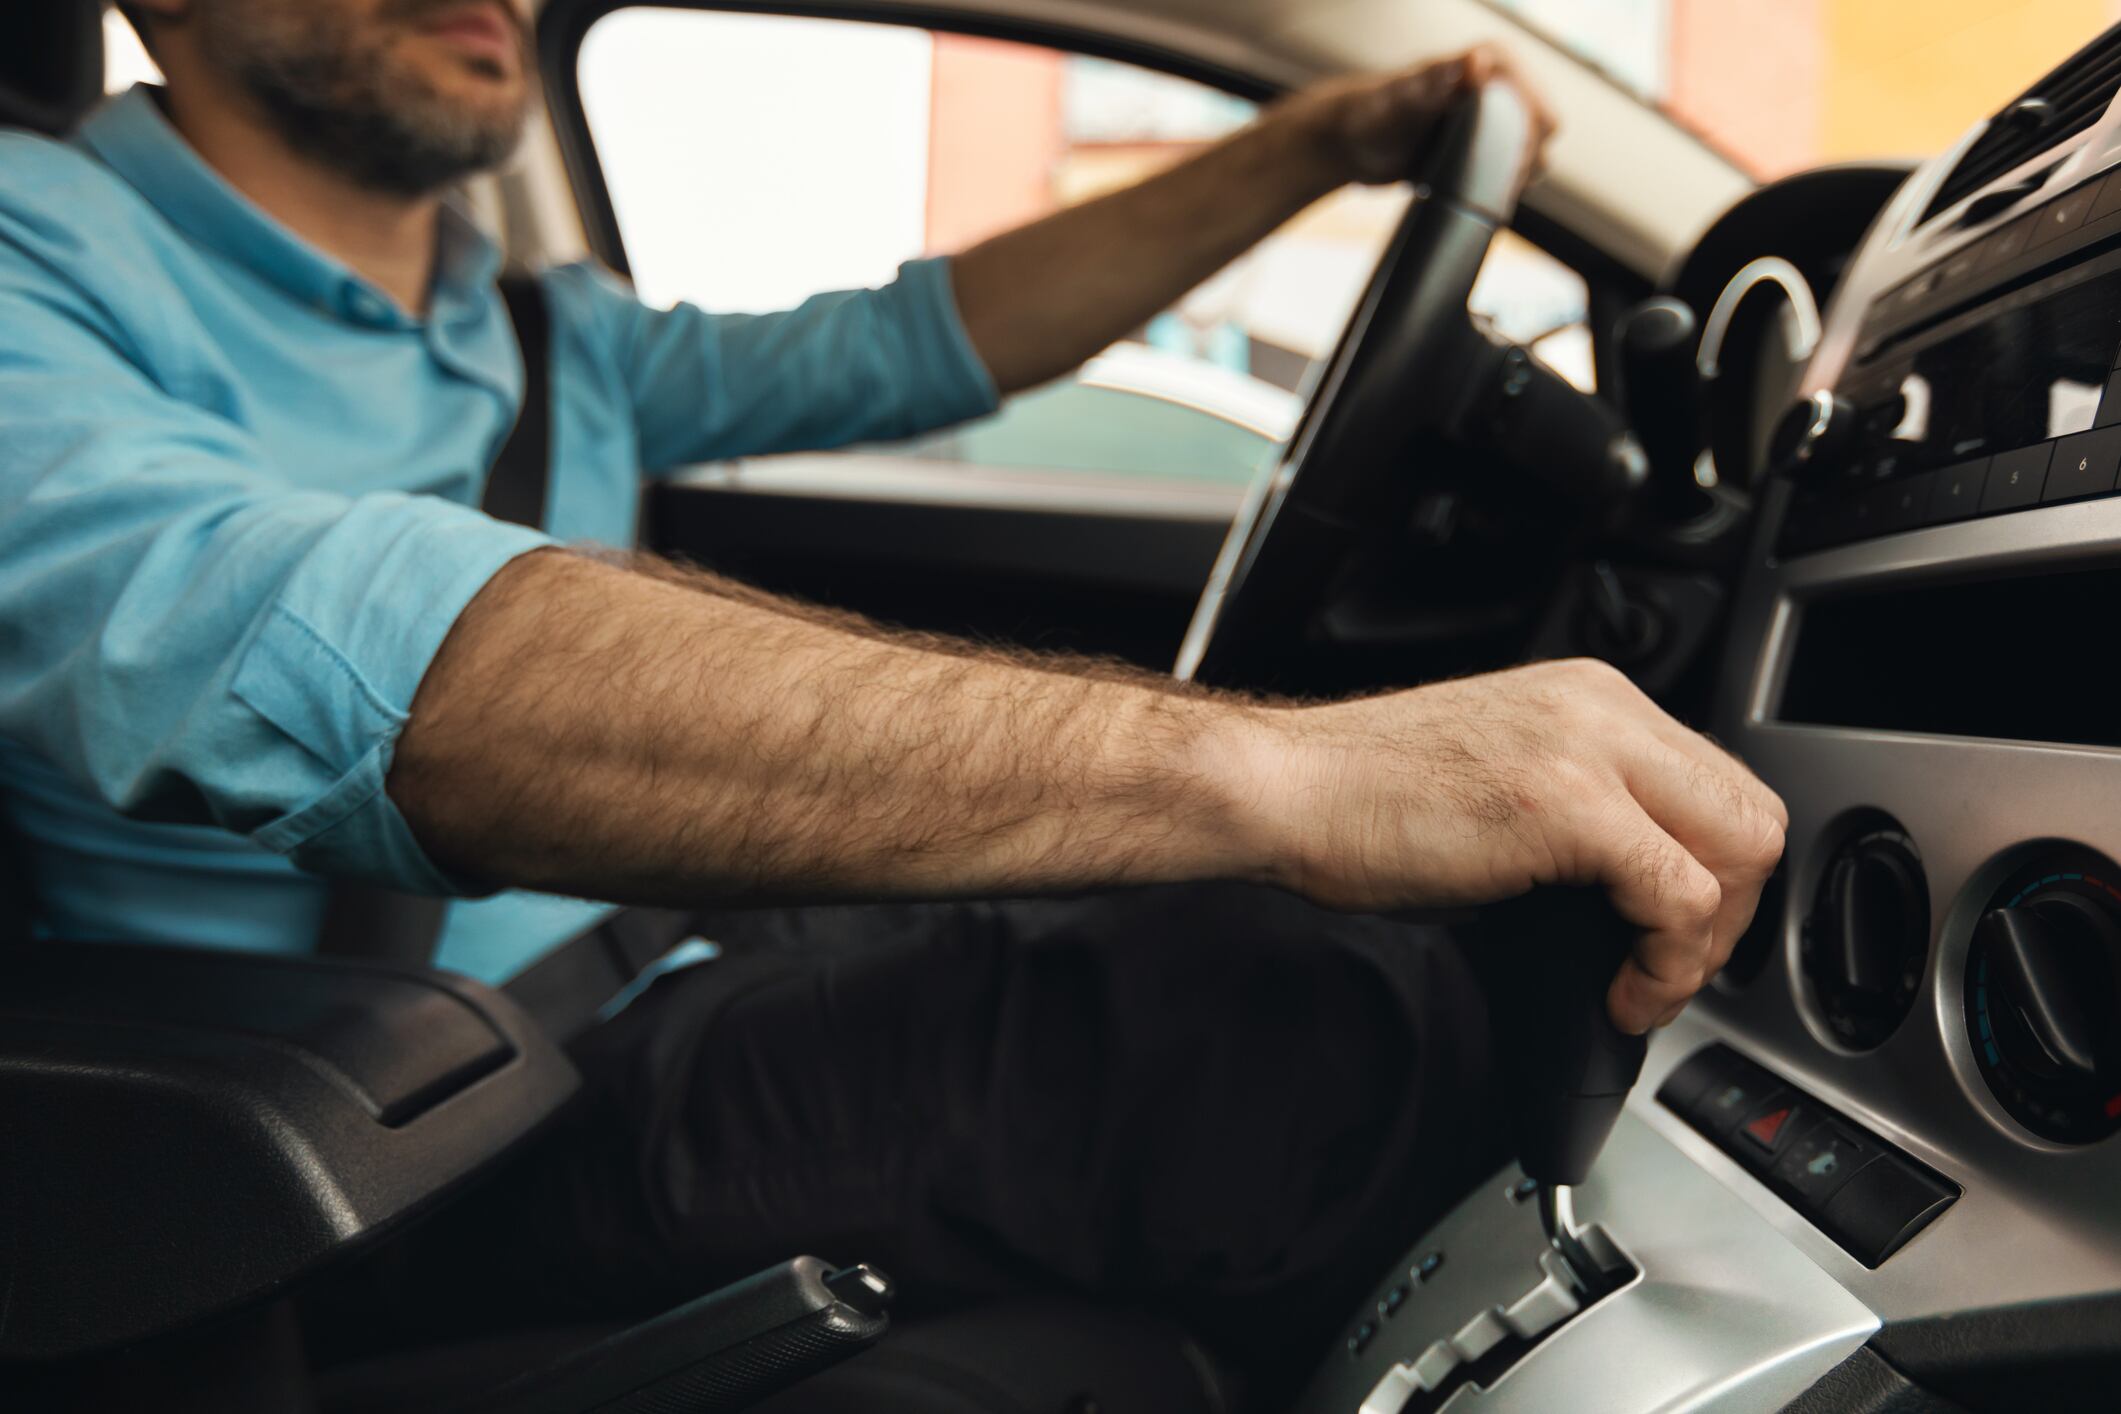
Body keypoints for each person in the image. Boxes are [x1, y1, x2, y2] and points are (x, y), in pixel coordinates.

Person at [0, 0, 1785, 1400]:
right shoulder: (35, 252)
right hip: (380, 1138)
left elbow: (926, 337)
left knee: (1284, 957)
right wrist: (1276, 771)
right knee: (1288, 1031)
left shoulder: (540, 330)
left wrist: (1313, 145)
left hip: (672, 953)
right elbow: (301, 621)